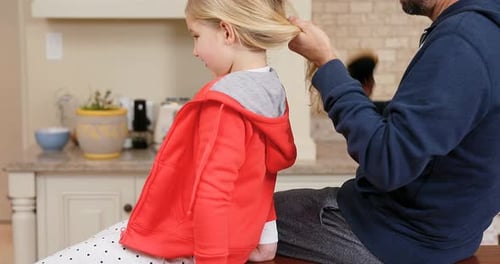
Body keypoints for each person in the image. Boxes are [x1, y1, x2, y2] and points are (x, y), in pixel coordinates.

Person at [36, 0, 300, 263]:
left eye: (196, 36)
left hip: (190, 249)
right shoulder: (269, 91)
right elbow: (264, 177)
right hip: (233, 243)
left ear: (227, 32)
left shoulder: (224, 104)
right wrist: (267, 240)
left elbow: (212, 194)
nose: (195, 51)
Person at [275, 0, 500, 263]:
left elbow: (387, 162)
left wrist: (326, 62)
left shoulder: (461, 41)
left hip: (392, 238)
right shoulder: (487, 32)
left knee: (244, 217)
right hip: (452, 241)